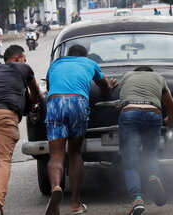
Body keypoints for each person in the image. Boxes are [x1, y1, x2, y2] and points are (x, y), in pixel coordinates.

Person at [44, 45, 117, 215]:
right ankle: (75, 204)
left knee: (56, 155)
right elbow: (105, 88)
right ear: (85, 55)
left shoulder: (55, 64)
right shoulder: (90, 63)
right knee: (75, 153)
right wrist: (109, 88)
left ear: (68, 55)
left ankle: (56, 187)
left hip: (55, 102)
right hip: (78, 102)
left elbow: (49, 87)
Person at [0, 45, 42, 215]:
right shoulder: (24, 68)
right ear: (18, 57)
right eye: (24, 59)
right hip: (5, 114)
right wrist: (40, 102)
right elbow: (35, 94)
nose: (25, 62)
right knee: (4, 160)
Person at [118, 66, 173, 215]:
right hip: (153, 112)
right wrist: (170, 124)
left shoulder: (126, 76)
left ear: (136, 72)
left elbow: (120, 97)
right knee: (150, 154)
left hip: (129, 112)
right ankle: (153, 177)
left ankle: (137, 199)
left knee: (130, 163)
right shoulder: (159, 78)